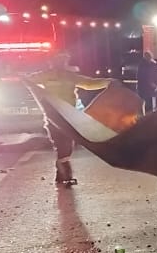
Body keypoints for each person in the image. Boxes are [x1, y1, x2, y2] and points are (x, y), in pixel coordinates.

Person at [27, 52, 112, 185]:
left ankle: (61, 174)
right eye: (58, 60)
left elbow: (89, 83)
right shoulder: (45, 75)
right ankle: (65, 174)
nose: (60, 63)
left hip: (68, 115)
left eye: (63, 61)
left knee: (66, 145)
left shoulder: (70, 76)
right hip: (53, 116)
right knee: (62, 144)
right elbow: (29, 81)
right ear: (52, 62)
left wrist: (108, 82)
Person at [136, 50, 157, 115]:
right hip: (147, 87)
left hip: (145, 87)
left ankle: (145, 116)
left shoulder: (143, 64)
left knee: (146, 103)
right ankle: (148, 116)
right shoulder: (149, 64)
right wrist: (155, 84)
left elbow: (139, 76)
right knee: (148, 103)